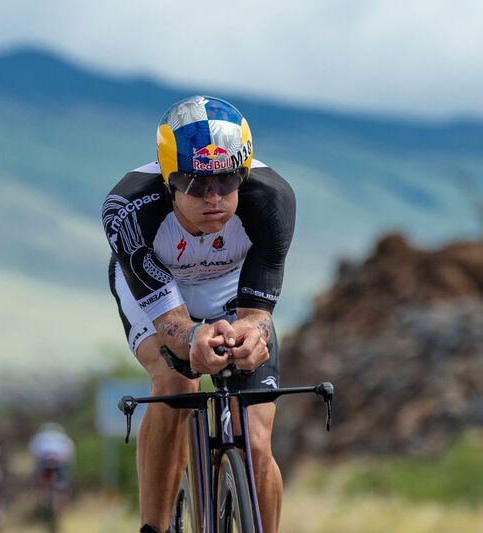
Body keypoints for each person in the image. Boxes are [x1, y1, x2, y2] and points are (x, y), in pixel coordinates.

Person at [102, 95, 295, 533]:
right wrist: (192, 339)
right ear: (169, 180)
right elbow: (171, 325)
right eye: (194, 183)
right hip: (158, 291)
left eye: (227, 181)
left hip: (232, 291)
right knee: (176, 382)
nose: (213, 196)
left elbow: (257, 315)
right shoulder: (128, 209)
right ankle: (155, 526)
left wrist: (251, 334)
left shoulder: (272, 200)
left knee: (257, 440)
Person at [28, 422, 75, 492]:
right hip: (55, 461)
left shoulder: (39, 437)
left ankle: (41, 487)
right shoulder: (64, 438)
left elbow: (33, 451)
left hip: (48, 460)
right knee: (62, 477)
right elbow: (69, 452)